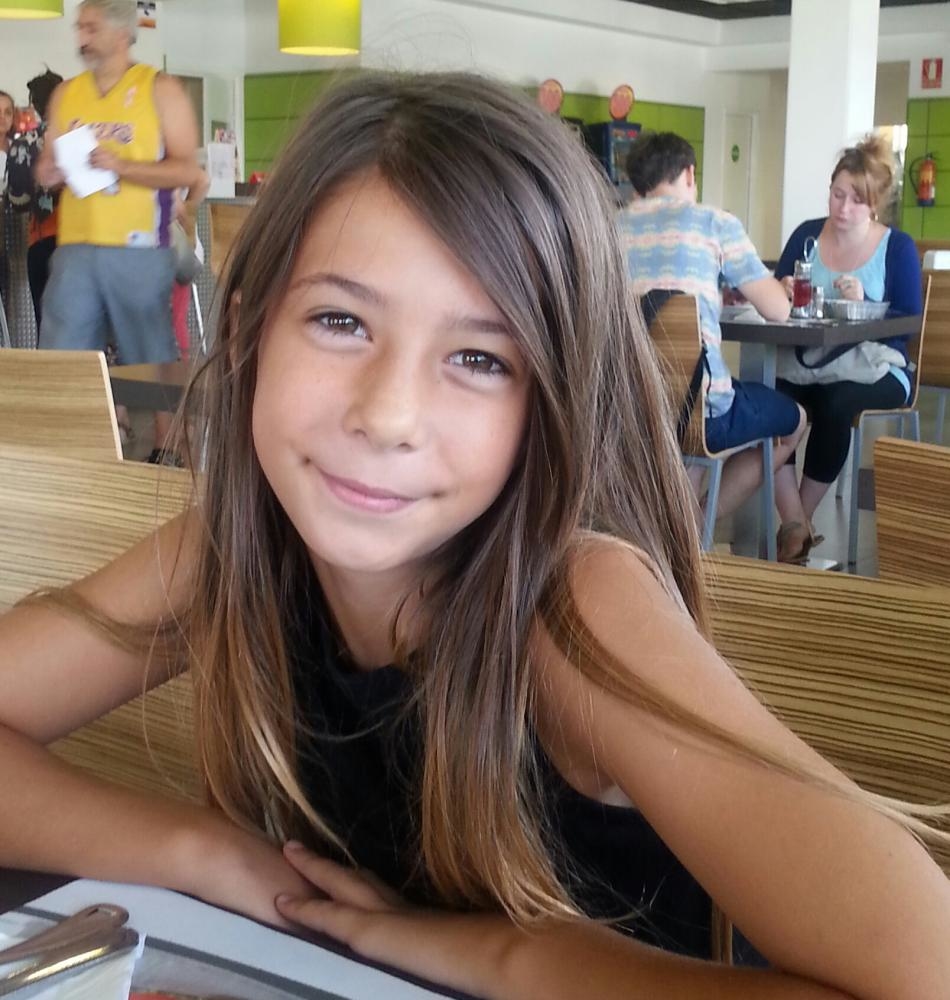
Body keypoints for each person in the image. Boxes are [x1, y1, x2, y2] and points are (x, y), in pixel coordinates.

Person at [1, 72, 949, 1000]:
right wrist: (202, 851)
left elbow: (922, 973)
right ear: (248, 332)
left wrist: (500, 955)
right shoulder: (232, 549)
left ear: (552, 397)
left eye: (479, 358)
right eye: (340, 320)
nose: (389, 415)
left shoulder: (574, 611)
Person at [621, 132, 812, 557]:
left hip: (626, 406)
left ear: (638, 184)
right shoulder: (713, 223)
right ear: (690, 174)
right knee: (794, 421)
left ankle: (675, 535)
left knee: (686, 436)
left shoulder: (608, 227)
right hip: (699, 408)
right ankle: (693, 525)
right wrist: (777, 289)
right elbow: (779, 310)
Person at [34, 0, 200, 460]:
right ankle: (72, 456)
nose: (82, 37)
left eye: (91, 27)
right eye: (80, 27)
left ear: (123, 33)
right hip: (76, 248)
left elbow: (187, 168)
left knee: (152, 356)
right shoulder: (67, 94)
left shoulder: (159, 89)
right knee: (65, 358)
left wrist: (122, 166)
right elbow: (46, 166)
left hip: (139, 247)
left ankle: (171, 451)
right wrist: (50, 171)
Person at [774, 136, 923, 562]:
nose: (843, 208)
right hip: (808, 360)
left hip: (878, 365)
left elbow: (908, 322)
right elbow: (776, 290)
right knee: (773, 399)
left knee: (835, 404)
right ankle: (795, 523)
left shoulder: (897, 247)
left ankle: (799, 520)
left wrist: (867, 304)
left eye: (857, 200)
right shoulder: (807, 235)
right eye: (838, 195)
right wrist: (782, 287)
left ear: (874, 204)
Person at [6, 69, 64, 330]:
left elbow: (18, 200)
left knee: (46, 323)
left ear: (35, 104)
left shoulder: (24, 144)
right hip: (80, 238)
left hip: (42, 239)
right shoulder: (79, 135)